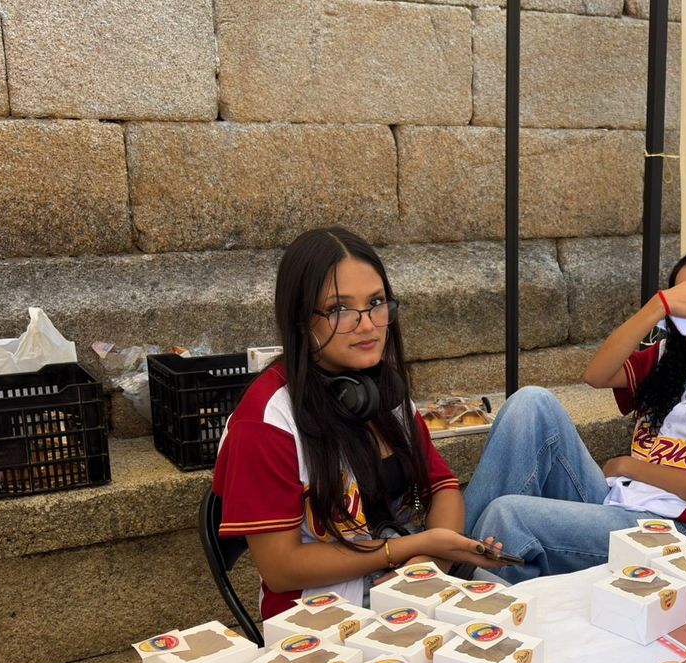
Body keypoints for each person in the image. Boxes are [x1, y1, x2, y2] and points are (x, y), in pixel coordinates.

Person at [213, 228, 502, 619]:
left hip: (415, 578)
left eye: (376, 303)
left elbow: (441, 486)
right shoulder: (265, 421)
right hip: (327, 618)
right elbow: (281, 569)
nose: (367, 325)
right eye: (338, 309)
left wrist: (429, 565)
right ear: (301, 321)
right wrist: (403, 552)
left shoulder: (384, 388)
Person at [462, 246, 686, 580]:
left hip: (679, 532)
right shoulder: (670, 359)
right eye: (683, 302)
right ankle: (453, 552)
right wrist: (656, 308)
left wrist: (630, 466)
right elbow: (596, 375)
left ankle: (458, 573)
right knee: (531, 401)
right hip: (619, 501)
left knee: (508, 515)